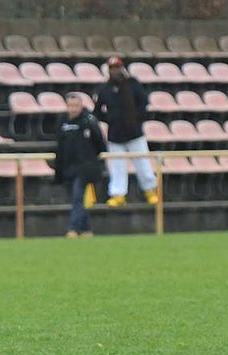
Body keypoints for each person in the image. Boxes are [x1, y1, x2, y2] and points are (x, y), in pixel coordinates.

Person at [93, 56, 158, 207]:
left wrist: (137, 118)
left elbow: (144, 102)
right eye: (112, 68)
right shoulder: (104, 89)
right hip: (115, 135)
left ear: (122, 68)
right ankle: (118, 195)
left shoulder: (133, 84)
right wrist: (110, 119)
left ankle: (150, 191)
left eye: (117, 68)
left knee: (143, 164)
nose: (115, 71)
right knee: (117, 166)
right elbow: (97, 111)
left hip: (135, 133)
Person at [54, 92, 106, 238]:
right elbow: (59, 145)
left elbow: (100, 143)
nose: (73, 109)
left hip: (85, 167)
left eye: (76, 106)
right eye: (70, 106)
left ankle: (73, 229)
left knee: (77, 197)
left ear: (81, 106)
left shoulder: (89, 120)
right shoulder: (62, 121)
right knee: (75, 199)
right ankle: (86, 230)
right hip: (68, 166)